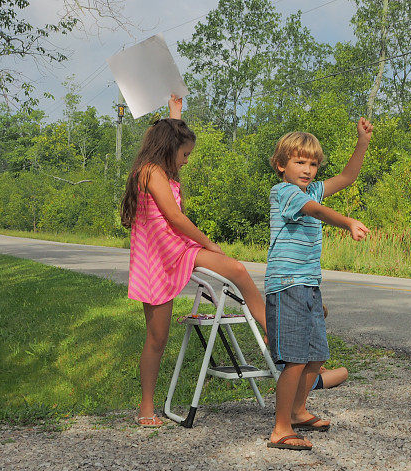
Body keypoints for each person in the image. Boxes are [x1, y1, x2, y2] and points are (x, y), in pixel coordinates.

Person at [123, 95, 267, 428]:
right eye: (185, 154)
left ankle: (273, 336)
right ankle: (146, 407)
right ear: (168, 149)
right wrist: (210, 244)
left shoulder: (159, 167)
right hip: (157, 258)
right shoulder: (150, 171)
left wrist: (176, 113)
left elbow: (172, 137)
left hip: (177, 250)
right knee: (156, 338)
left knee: (239, 271)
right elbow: (173, 217)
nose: (186, 161)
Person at [265, 120, 372, 450]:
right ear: (282, 165)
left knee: (314, 356)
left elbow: (347, 177)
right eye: (300, 162)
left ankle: (298, 412)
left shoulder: (310, 189)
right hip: (287, 286)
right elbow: (315, 211)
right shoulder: (284, 193)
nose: (308, 169)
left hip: (308, 285)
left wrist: (362, 142)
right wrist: (347, 221)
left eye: (313, 163)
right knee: (295, 360)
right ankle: (280, 428)